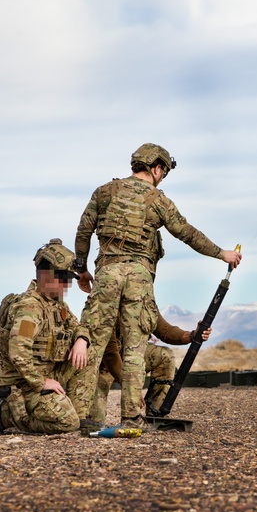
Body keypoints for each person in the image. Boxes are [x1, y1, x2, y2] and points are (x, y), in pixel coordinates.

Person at [66, 143, 241, 429]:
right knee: (135, 350)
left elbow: (83, 231)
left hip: (107, 273)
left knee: (93, 345)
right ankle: (132, 418)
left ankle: (80, 418)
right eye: (164, 172)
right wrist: (222, 253)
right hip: (138, 276)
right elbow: (187, 233)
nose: (162, 178)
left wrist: (82, 270)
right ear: (156, 168)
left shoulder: (103, 192)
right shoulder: (158, 200)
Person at [0, 239, 84, 435]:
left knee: (89, 352)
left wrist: (82, 340)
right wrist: (41, 383)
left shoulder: (57, 305)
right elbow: (18, 352)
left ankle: (78, 410)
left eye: (69, 279)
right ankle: (7, 414)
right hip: (22, 383)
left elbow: (79, 327)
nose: (67, 284)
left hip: (45, 374)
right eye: (63, 278)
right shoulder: (29, 308)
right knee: (67, 424)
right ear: (45, 276)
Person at [89, 315, 212, 423]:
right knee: (92, 422)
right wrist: (131, 387)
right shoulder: (109, 299)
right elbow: (110, 352)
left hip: (132, 358)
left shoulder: (145, 300)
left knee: (165, 355)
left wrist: (192, 335)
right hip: (103, 364)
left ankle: (156, 412)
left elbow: (165, 330)